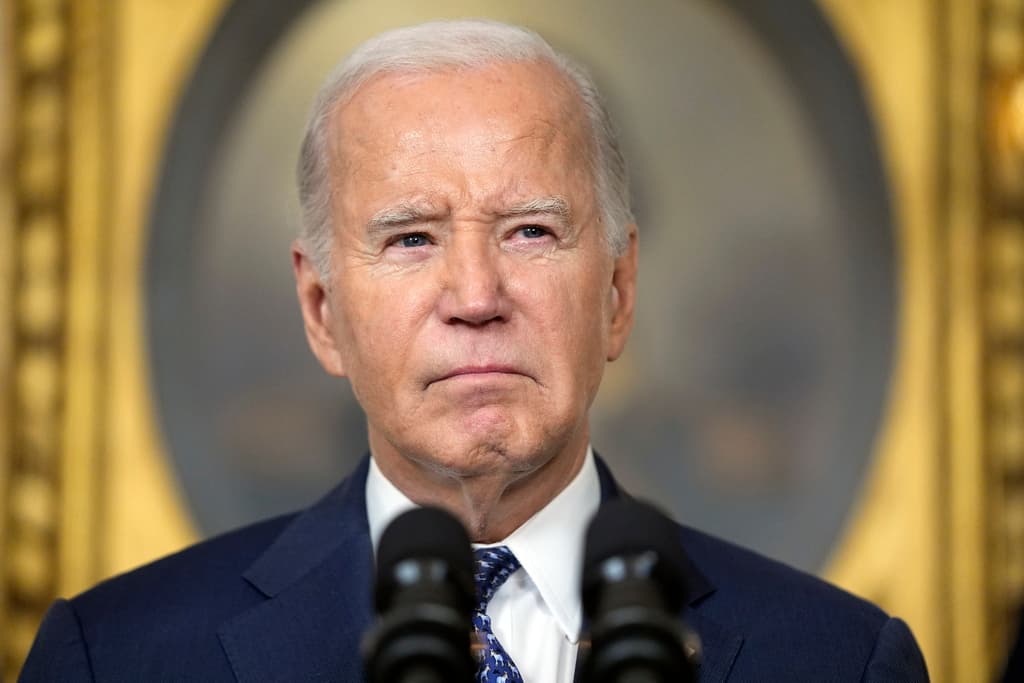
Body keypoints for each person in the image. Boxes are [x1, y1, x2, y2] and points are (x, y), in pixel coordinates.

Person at [20, 19, 929, 682]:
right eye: (411, 239)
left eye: (531, 231)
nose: (477, 297)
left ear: (617, 291)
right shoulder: (119, 657)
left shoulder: (839, 659)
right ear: (321, 308)